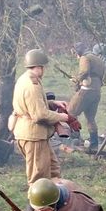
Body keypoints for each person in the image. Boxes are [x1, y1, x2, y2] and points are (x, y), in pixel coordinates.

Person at [11, 49, 69, 185]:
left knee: (53, 170)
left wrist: (52, 103)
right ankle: (35, 206)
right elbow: (39, 114)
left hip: (36, 136)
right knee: (39, 180)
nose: (44, 70)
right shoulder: (32, 85)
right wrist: (61, 117)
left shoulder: (26, 79)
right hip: (33, 137)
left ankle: (54, 203)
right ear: (39, 67)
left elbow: (32, 106)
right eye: (43, 67)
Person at [67, 42, 106, 152]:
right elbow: (104, 77)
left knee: (70, 112)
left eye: (76, 53)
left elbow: (84, 72)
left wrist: (76, 80)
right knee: (90, 119)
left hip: (87, 90)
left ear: (79, 51)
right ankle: (94, 144)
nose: (76, 55)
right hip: (96, 92)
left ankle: (75, 140)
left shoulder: (85, 58)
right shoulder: (98, 59)